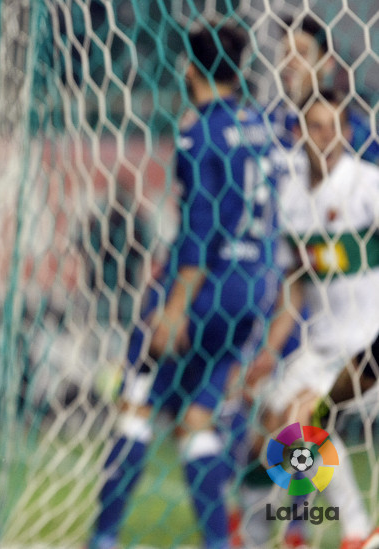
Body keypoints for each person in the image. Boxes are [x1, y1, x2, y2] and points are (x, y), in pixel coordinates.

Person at [88, 20, 281, 549]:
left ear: (188, 69)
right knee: (199, 418)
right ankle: (219, 543)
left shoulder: (199, 130)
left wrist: (174, 307)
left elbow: (201, 228)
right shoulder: (262, 126)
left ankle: (103, 538)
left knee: (138, 404)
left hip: (203, 290)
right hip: (252, 289)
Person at [240, 88, 379, 549]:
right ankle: (261, 534)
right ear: (299, 132)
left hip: (368, 351)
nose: (328, 136)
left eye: (337, 126)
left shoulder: (368, 186)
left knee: (303, 418)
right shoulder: (292, 199)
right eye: (317, 126)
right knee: (264, 437)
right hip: (320, 350)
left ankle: (355, 530)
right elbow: (293, 292)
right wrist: (266, 351)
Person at [272, 15, 379, 162]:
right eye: (286, 53)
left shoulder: (353, 127)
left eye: (302, 52)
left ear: (328, 63)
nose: (290, 61)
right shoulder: (267, 120)